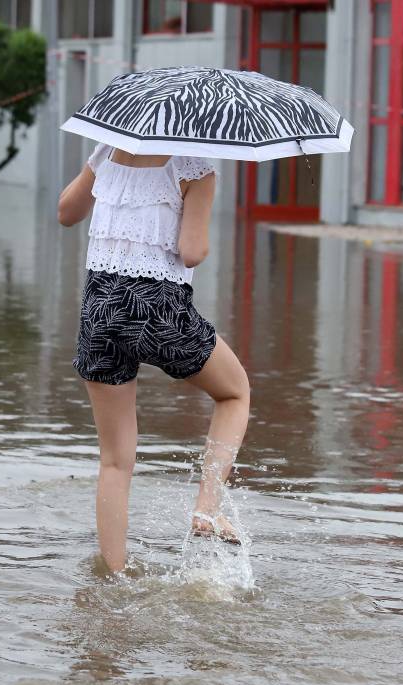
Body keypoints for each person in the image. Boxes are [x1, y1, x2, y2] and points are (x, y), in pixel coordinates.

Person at [57, 144, 251, 574]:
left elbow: (66, 212)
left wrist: (94, 166)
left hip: (99, 309)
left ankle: (114, 574)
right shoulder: (195, 169)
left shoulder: (105, 153)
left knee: (115, 460)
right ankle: (206, 508)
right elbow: (192, 251)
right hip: (156, 306)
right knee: (235, 393)